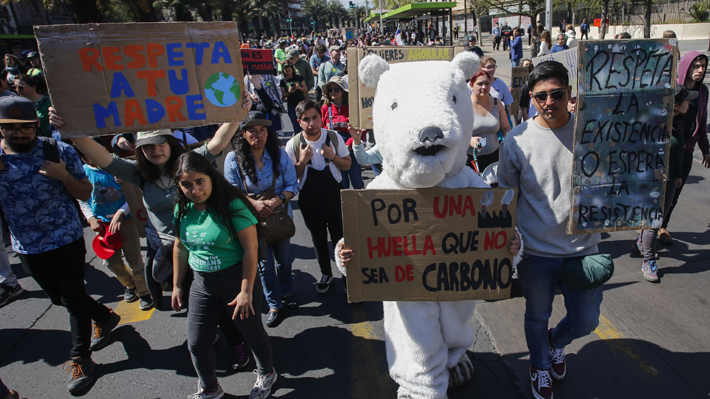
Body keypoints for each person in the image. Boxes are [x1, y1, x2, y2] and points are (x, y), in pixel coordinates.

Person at [50, 96, 254, 372]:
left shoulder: (190, 162)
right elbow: (102, 156)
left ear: (170, 143)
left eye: (160, 142)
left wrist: (238, 113)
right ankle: (208, 338)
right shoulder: (138, 173)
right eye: (147, 146)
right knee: (193, 303)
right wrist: (73, 129)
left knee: (221, 300)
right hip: (172, 252)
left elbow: (218, 141)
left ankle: (239, 342)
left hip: (208, 247)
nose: (156, 149)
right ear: (140, 150)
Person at [498, 61, 604, 399]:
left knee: (587, 320)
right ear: (532, 98)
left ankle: (555, 342)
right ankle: (540, 366)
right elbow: (506, 197)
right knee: (536, 314)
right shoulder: (516, 141)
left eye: (557, 93)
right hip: (537, 252)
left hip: (583, 250)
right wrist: (510, 236)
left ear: (569, 93)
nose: (549, 101)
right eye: (541, 95)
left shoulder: (591, 133)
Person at [0, 96, 119, 392]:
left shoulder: (57, 151)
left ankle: (80, 358)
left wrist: (63, 175)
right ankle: (104, 316)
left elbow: (84, 192)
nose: (19, 133)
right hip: (26, 245)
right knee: (60, 298)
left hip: (65, 238)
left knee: (74, 297)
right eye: (11, 128)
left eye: (26, 127)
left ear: (35, 124)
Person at [172, 152, 277, 399]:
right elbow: (179, 246)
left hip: (235, 279)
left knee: (251, 333)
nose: (194, 190)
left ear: (211, 178)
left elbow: (250, 250)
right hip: (202, 283)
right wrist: (177, 285)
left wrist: (246, 291)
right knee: (197, 343)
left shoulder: (233, 205)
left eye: (200, 182)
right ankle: (210, 388)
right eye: (186, 184)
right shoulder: (181, 209)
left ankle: (267, 372)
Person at [224, 112, 299, 327]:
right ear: (243, 134)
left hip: (281, 218)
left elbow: (292, 185)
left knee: (284, 260)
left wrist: (276, 201)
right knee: (264, 265)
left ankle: (286, 293)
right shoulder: (233, 159)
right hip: (252, 222)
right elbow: (233, 192)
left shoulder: (280, 155)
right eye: (253, 131)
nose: (258, 135)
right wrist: (255, 205)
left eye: (263, 130)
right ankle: (274, 304)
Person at [285, 100, 351, 294]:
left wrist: (332, 156)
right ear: (299, 122)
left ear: (320, 118)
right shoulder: (293, 144)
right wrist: (303, 161)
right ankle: (326, 274)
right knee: (318, 239)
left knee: (341, 238)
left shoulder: (333, 137)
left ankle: (347, 276)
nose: (312, 123)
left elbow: (347, 165)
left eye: (315, 117)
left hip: (334, 197)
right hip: (309, 201)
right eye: (306, 119)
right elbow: (291, 177)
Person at [77, 147, 153, 310]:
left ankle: (144, 291)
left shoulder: (117, 167)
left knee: (134, 257)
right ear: (84, 158)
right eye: (89, 156)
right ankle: (130, 285)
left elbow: (133, 193)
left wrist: (121, 212)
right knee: (111, 261)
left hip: (126, 220)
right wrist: (91, 217)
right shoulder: (83, 172)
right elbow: (83, 199)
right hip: (103, 224)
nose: (95, 159)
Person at [633, 87, 695, 282]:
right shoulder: (656, 126)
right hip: (656, 180)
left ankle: (642, 242)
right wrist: (659, 180)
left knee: (659, 217)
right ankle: (648, 261)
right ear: (675, 105)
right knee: (654, 221)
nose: (690, 103)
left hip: (671, 177)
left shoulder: (677, 122)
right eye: (686, 101)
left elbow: (676, 154)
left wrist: (676, 176)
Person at [659, 51, 709, 244]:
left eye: (703, 66)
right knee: (658, 193)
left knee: (674, 193)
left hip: (686, 151)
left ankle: (662, 226)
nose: (700, 70)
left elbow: (702, 122)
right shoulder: (671, 87)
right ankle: (647, 229)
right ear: (687, 66)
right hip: (665, 151)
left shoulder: (702, 92)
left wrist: (705, 149)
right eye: (696, 65)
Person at [321, 76, 364, 189]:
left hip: (351, 149)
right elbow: (320, 130)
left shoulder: (352, 108)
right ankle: (344, 207)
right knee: (341, 184)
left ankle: (361, 207)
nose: (333, 92)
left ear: (343, 90)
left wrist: (350, 143)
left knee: (357, 182)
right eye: (330, 90)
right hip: (334, 151)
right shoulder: (325, 108)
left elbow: (362, 128)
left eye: (336, 89)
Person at [468, 70, 511, 173]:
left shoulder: (497, 103)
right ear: (471, 85)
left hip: (494, 159)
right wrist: (469, 139)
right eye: (480, 84)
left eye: (487, 83)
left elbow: (505, 128)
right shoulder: (464, 104)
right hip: (470, 160)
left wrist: (510, 138)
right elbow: (457, 132)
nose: (484, 87)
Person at [280, 63, 307, 135]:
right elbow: (283, 96)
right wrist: (289, 92)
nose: (288, 72)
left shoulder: (299, 77)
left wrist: (298, 88)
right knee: (295, 124)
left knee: (304, 123)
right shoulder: (283, 80)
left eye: (289, 70)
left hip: (301, 103)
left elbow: (305, 89)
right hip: (291, 104)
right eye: (286, 71)